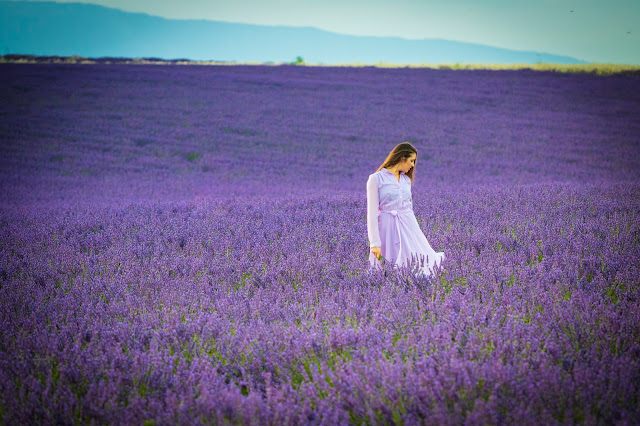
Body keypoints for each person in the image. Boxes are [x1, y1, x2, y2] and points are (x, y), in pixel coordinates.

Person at [367, 142, 445, 276]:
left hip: (408, 225)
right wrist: (374, 242)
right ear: (402, 158)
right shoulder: (376, 179)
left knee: (418, 263)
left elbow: (409, 207)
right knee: (386, 268)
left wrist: (416, 232)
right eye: (411, 160)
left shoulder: (405, 180)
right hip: (387, 227)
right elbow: (372, 214)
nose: (413, 165)